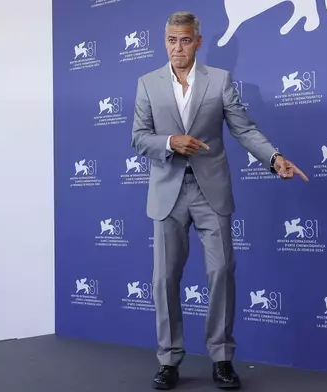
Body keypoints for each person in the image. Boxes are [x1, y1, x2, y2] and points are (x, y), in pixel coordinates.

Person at [131, 11, 309, 390]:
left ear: (197, 41)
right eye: (171, 41)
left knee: (221, 272)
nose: (177, 48)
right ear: (166, 42)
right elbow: (139, 136)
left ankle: (222, 358)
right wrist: (169, 142)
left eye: (185, 40)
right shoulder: (147, 84)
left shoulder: (220, 81)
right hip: (167, 192)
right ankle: (169, 360)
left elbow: (244, 128)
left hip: (210, 191)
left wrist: (274, 159)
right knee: (164, 278)